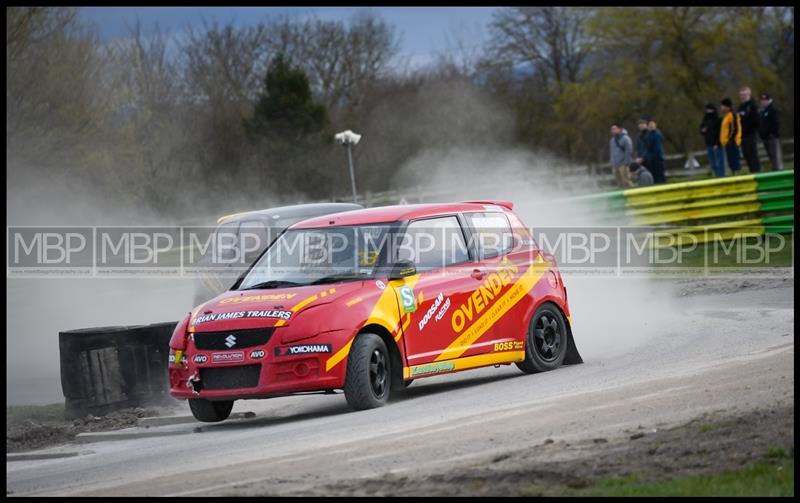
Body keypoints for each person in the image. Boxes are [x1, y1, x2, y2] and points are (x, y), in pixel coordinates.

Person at [737, 86, 761, 173]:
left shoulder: (753, 105)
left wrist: (751, 129)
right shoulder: (740, 107)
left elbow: (756, 120)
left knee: (752, 154)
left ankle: (757, 172)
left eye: (744, 95)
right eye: (741, 95)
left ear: (749, 94)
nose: (743, 97)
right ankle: (752, 171)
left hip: (751, 134)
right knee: (746, 155)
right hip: (742, 136)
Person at [757, 93, 782, 171]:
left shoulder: (773, 109)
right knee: (771, 155)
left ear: (768, 100)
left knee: (775, 156)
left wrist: (772, 133)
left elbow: (776, 123)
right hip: (765, 137)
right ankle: (775, 170)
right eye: (762, 100)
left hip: (772, 137)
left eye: (765, 100)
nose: (763, 102)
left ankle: (778, 171)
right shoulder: (762, 111)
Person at [700, 103, 724, 177]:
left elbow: (720, 132)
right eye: (707, 109)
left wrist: (717, 143)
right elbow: (701, 130)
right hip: (708, 144)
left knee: (719, 163)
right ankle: (717, 177)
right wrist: (702, 130)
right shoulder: (705, 120)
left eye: (710, 109)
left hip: (717, 144)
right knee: (713, 164)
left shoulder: (717, 120)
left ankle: (721, 177)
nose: (708, 111)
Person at [719, 98, 742, 174]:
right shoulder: (726, 116)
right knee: (731, 162)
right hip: (727, 143)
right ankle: (734, 175)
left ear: (727, 107)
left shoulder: (732, 115)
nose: (721, 108)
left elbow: (735, 128)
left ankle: (738, 176)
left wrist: (730, 139)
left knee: (735, 161)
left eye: (722, 106)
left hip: (732, 143)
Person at [609, 123, 633, 187]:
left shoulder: (626, 139)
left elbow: (629, 152)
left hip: (623, 164)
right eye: (612, 129)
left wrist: (626, 163)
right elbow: (612, 152)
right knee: (619, 183)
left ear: (619, 129)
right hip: (615, 165)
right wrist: (612, 162)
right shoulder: (612, 140)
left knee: (626, 182)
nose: (613, 130)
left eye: (615, 129)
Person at [644, 120, 666, 184]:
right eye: (650, 125)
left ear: (655, 125)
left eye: (652, 125)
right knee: (654, 175)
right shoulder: (648, 135)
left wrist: (651, 156)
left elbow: (657, 148)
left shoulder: (657, 134)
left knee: (659, 175)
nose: (651, 126)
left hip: (657, 158)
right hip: (652, 158)